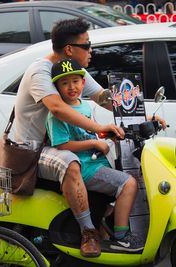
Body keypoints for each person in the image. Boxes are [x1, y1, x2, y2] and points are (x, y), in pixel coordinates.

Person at [14, 17, 166, 258]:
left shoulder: (75, 74)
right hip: (31, 151)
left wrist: (145, 118)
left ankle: (108, 221)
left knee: (114, 163)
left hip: (57, 145)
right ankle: (89, 232)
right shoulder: (41, 72)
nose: (91, 50)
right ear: (69, 50)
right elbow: (58, 109)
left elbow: (105, 98)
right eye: (87, 45)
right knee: (68, 162)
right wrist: (98, 131)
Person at [46, 58, 145, 254]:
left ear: (84, 82)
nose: (71, 87)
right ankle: (122, 237)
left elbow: (89, 132)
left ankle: (107, 221)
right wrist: (93, 143)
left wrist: (106, 136)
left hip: (97, 162)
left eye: (75, 81)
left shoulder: (84, 105)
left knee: (134, 179)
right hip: (85, 167)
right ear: (56, 87)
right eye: (64, 83)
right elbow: (62, 144)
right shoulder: (58, 114)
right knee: (129, 184)